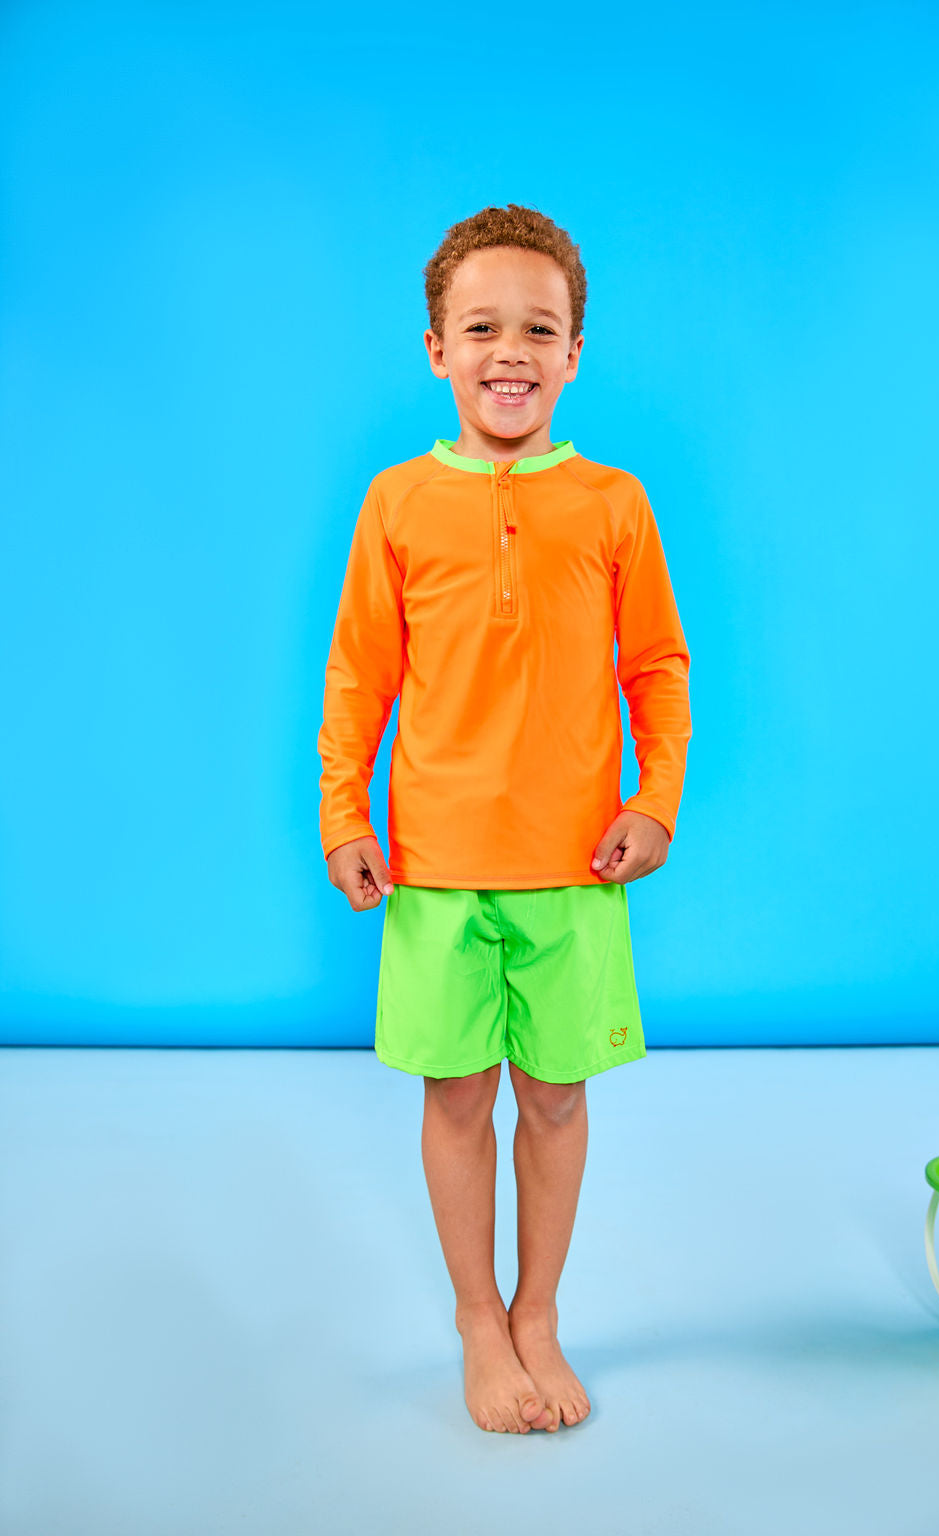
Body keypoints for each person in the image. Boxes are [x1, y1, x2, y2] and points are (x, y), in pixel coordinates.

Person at [317, 203, 692, 1435]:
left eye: (539, 328)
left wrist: (653, 802)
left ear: (574, 351)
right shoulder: (396, 504)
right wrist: (344, 815)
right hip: (434, 869)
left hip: (575, 868)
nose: (510, 351)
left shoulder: (614, 503)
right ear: (437, 348)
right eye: (481, 327)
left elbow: (657, 670)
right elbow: (359, 678)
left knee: (559, 1100)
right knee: (455, 1099)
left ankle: (538, 1312)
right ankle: (478, 1321)